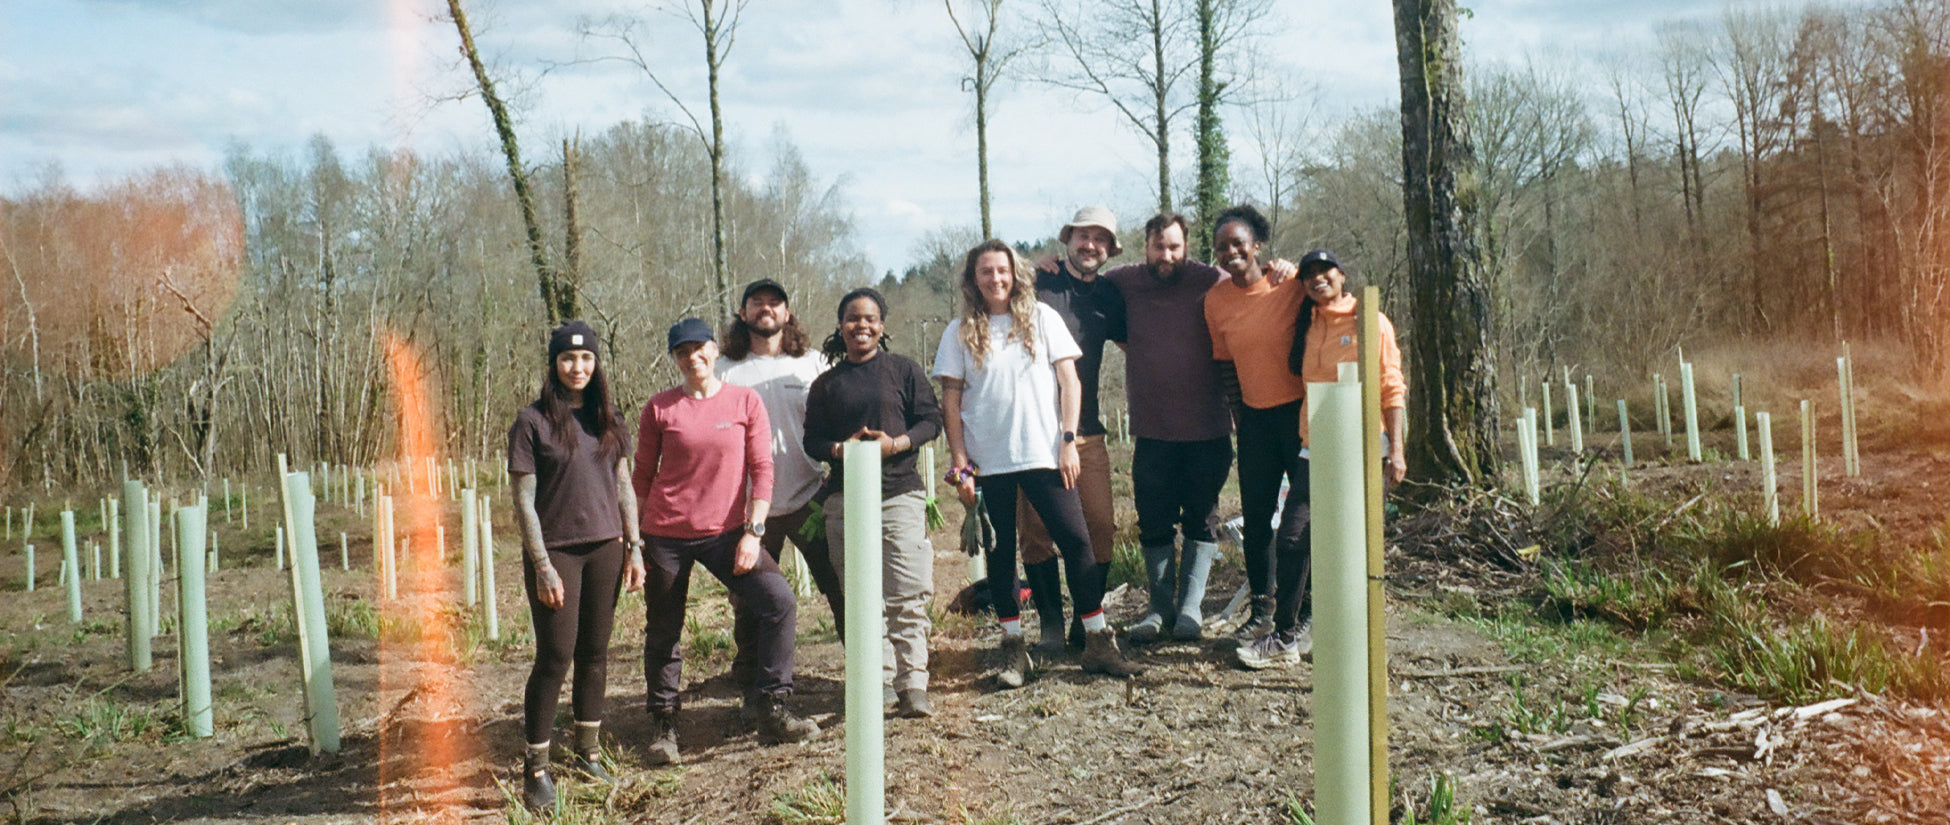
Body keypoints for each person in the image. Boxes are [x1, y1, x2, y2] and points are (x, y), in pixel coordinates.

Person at [934, 239, 1142, 688]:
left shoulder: (1043, 318)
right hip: (989, 465)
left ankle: (1097, 641)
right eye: (986, 272)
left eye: (1003, 270)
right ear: (974, 279)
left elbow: (1070, 381)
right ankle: (1014, 649)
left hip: (1044, 455)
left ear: (1016, 274)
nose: (996, 279)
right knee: (1001, 554)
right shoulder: (958, 332)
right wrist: (960, 465)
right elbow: (950, 400)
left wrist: (1068, 440)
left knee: (1078, 543)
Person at [634, 317, 818, 765]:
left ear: (715, 350)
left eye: (700, 348)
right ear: (675, 359)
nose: (692, 357)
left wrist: (753, 533)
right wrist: (634, 543)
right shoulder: (660, 409)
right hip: (666, 534)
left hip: (727, 533)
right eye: (682, 352)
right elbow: (640, 478)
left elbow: (763, 469)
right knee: (664, 629)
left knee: (778, 602)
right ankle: (664, 724)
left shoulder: (745, 401)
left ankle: (772, 705)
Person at [1234, 248, 1407, 670]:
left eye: (1325, 271)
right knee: (1292, 538)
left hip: (1364, 447)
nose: (1317, 279)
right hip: (1315, 447)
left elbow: (1391, 386)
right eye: (1309, 274)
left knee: (1353, 543)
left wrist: (1397, 450)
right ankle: (1286, 637)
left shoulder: (1370, 322)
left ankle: (1351, 637)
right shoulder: (1306, 324)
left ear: (1342, 275)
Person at [507, 320, 645, 813]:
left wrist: (635, 547)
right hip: (558, 553)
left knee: (595, 653)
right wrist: (542, 564)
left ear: (597, 364)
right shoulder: (532, 422)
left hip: (606, 548)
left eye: (586, 359)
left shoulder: (609, 418)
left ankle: (587, 750)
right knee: (555, 656)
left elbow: (624, 486)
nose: (578, 367)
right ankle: (536, 767)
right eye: (568, 358)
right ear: (554, 364)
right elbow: (523, 502)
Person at [803, 287, 943, 717]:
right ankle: (877, 681)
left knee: (907, 591)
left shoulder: (903, 371)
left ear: (881, 327)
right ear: (840, 327)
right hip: (846, 502)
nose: (860, 325)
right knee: (862, 597)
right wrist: (841, 450)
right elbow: (813, 440)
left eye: (869, 319)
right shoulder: (827, 384)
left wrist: (895, 444)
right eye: (852, 318)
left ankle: (913, 683)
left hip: (900, 494)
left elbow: (931, 420)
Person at [717, 278, 846, 682]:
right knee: (750, 597)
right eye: (757, 303)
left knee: (839, 585)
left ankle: (863, 664)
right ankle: (750, 674)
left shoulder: (812, 364)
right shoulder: (723, 370)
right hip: (750, 507)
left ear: (787, 313)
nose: (766, 309)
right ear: (743, 313)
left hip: (811, 497)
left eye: (775, 303)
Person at [1017, 206, 1126, 658]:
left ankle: (1089, 620)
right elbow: (993, 277)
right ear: (1068, 239)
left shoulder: (1110, 296)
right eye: (1084, 236)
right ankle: (1049, 626)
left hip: (1087, 429)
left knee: (1099, 525)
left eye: (1101, 239)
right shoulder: (1037, 283)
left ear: (1109, 250)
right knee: (1037, 531)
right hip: (1032, 432)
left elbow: (1136, 343)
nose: (1091, 245)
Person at [1202, 205, 1310, 652]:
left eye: (1238, 243)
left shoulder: (1289, 285)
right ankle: (1262, 611)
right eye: (1222, 246)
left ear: (1257, 245)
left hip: (1301, 417)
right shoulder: (1216, 300)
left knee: (1301, 522)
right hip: (1255, 422)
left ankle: (1304, 613)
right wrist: (1241, 418)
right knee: (1257, 520)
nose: (1231, 252)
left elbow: (1333, 286)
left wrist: (1300, 269)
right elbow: (1225, 364)